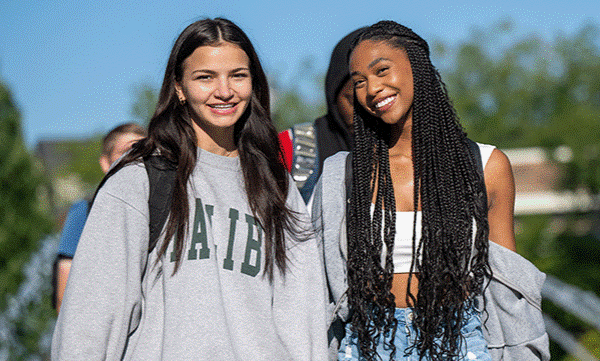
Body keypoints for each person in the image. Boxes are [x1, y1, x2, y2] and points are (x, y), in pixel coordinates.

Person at [52, 18, 328, 360]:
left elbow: (304, 316)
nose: (224, 90)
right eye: (205, 77)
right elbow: (91, 319)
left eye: (238, 75)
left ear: (253, 83)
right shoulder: (140, 178)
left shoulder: (274, 183)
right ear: (179, 88)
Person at [314, 21, 548, 361]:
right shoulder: (342, 173)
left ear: (417, 66)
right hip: (368, 341)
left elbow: (510, 285)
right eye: (360, 82)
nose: (372, 89)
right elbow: (319, 287)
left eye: (382, 70)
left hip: (460, 337)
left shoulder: (487, 165)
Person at [53, 122, 146, 312]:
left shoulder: (162, 207)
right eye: (127, 151)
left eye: (144, 150)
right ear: (105, 163)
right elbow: (65, 286)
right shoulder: (85, 211)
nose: (136, 157)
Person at [279, 27, 365, 205]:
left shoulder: (416, 153)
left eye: (375, 99)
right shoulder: (290, 149)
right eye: (354, 100)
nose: (366, 109)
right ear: (334, 93)